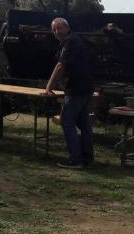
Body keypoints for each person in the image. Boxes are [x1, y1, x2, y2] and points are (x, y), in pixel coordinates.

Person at [45, 17, 94, 169]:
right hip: (85, 88)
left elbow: (60, 65)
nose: (56, 32)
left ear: (67, 28)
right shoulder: (74, 39)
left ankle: (76, 160)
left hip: (76, 89)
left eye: (59, 28)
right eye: (54, 29)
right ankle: (87, 158)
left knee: (67, 122)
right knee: (84, 124)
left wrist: (48, 87)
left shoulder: (71, 41)